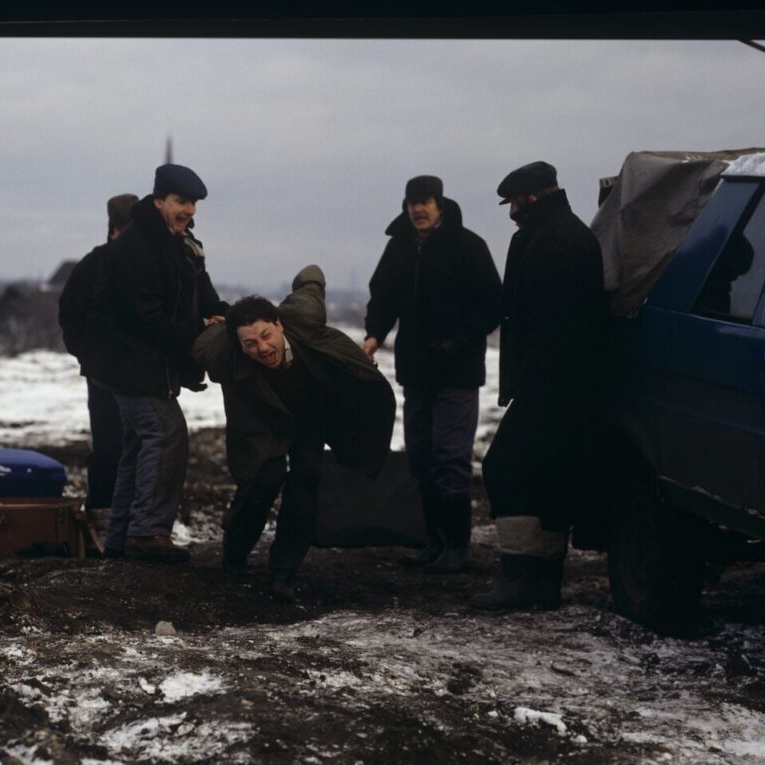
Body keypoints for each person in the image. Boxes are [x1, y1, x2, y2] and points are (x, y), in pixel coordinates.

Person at [192, 266, 395, 601]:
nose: (262, 348)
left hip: (309, 416)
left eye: (266, 336)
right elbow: (198, 343)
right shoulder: (222, 352)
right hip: (262, 421)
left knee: (307, 477)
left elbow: (311, 278)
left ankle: (285, 570)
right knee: (265, 477)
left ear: (279, 324)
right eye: (250, 344)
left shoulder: (302, 316)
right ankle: (236, 554)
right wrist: (210, 322)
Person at [470, 161, 606, 611]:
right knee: (550, 475)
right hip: (564, 385)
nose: (510, 212)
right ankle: (544, 580)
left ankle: (521, 577)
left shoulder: (557, 243)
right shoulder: (558, 235)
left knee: (505, 467)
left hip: (552, 385)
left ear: (531, 199)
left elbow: (551, 328)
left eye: (513, 203)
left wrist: (532, 386)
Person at [85, 164, 228, 563]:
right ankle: (147, 533)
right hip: (129, 367)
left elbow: (202, 291)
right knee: (166, 436)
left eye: (194, 203)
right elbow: (143, 318)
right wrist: (198, 330)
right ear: (160, 200)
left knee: (137, 448)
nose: (190, 210)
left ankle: (119, 539)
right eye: (182, 202)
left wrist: (226, 315)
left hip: (146, 368)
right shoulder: (137, 247)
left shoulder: (180, 244)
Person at [361, 175, 502, 574]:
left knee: (450, 459)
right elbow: (383, 296)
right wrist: (373, 336)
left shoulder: (468, 246)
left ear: (440, 204)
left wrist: (457, 342)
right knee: (421, 459)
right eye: (411, 203)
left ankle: (457, 548)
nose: (417, 210)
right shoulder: (399, 247)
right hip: (416, 372)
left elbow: (493, 302)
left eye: (424, 202)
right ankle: (433, 542)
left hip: (457, 373)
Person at [58, 193, 138, 514]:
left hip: (141, 372)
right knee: (108, 446)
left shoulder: (147, 264)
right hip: (104, 374)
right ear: (114, 231)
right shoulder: (94, 265)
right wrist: (89, 357)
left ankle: (133, 518)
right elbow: (70, 314)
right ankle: (103, 515)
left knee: (143, 446)